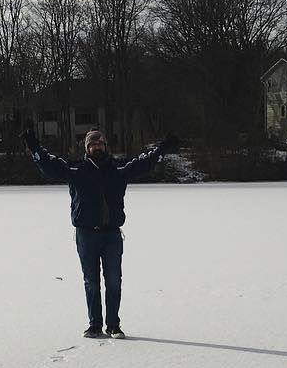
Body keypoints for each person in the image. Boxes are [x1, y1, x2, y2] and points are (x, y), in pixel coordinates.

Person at [23, 127, 177, 338]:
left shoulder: (118, 170)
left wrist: (162, 149)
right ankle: (95, 324)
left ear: (105, 146)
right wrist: (34, 147)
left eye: (100, 143)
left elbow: (143, 164)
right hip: (86, 235)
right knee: (92, 282)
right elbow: (50, 166)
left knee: (114, 280)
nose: (97, 147)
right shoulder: (76, 171)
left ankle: (113, 325)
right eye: (92, 144)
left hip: (112, 235)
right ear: (87, 148)